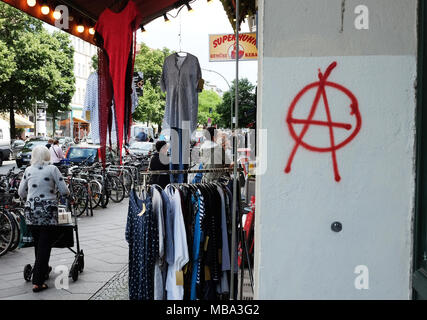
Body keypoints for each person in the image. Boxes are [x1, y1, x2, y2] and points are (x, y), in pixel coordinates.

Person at [18, 145, 70, 293]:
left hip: (31, 213)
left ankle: (43, 270)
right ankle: (38, 282)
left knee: (39, 244)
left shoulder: (28, 170)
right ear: (47, 156)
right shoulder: (52, 169)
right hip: (48, 213)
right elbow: (64, 190)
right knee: (45, 246)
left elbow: (21, 192)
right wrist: (66, 196)